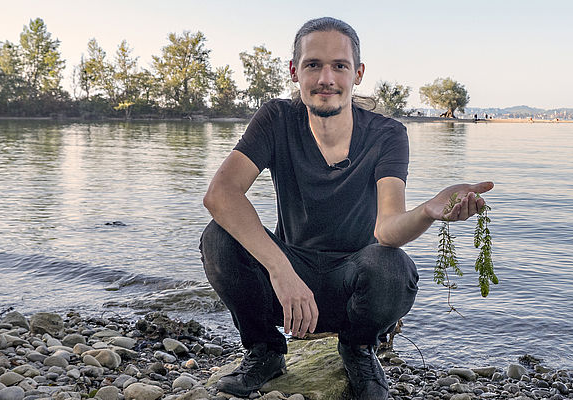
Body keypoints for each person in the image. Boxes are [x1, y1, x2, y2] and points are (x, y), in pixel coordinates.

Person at [200, 17, 493, 399]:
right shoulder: (277, 119)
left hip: (352, 286)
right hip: (288, 286)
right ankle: (265, 351)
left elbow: (386, 230)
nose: (326, 78)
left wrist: (428, 211)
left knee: (392, 265)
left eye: (339, 66)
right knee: (219, 237)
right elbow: (221, 194)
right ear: (294, 71)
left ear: (357, 73)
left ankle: (358, 350)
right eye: (313, 65)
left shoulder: (386, 134)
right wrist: (281, 271)